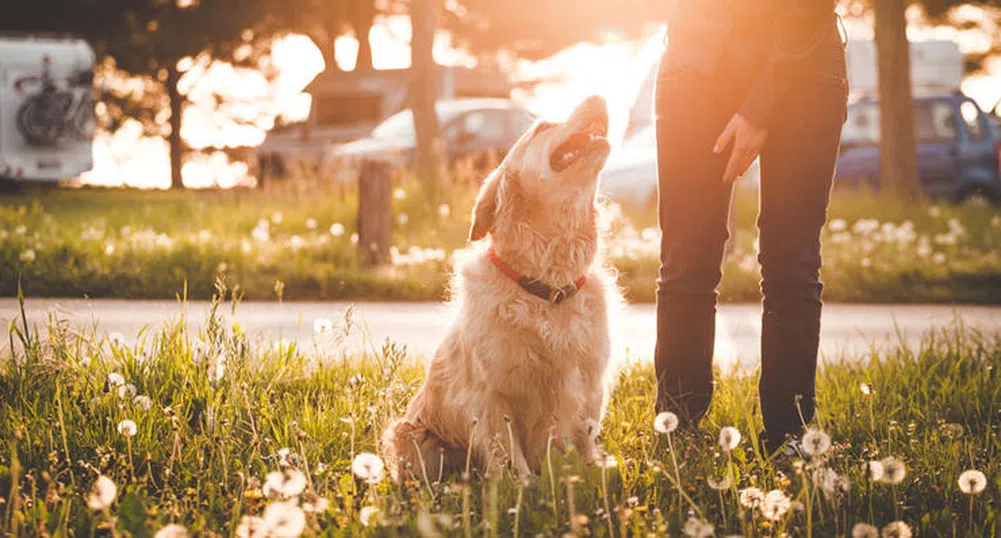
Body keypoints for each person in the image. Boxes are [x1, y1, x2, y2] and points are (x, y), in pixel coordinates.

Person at [654, 0, 848, 453]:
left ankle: (789, 437)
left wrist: (760, 105)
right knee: (686, 257)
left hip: (804, 63)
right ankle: (677, 432)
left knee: (791, 262)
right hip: (694, 64)